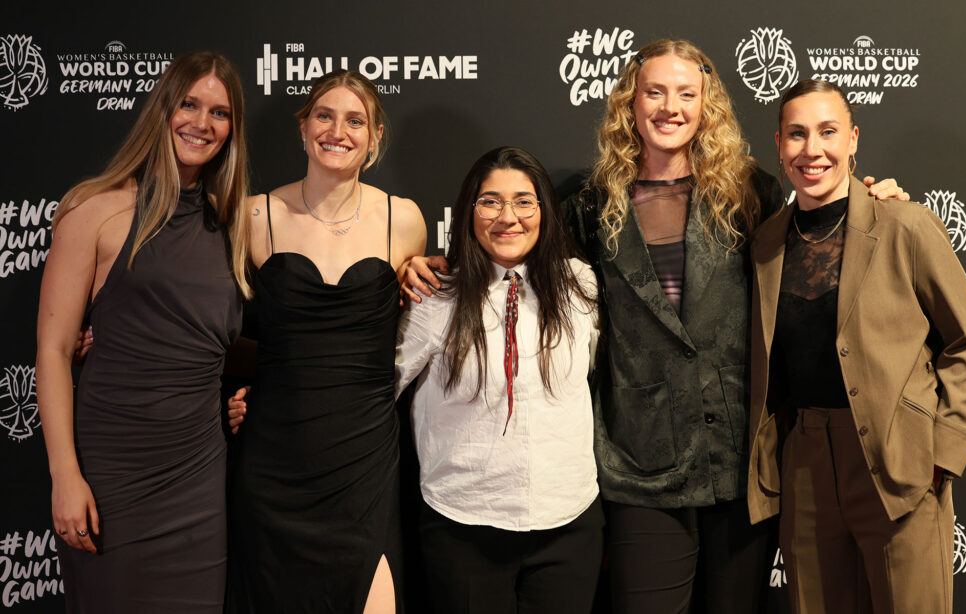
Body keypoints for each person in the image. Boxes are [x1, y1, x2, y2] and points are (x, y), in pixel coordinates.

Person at [404, 39, 907, 613]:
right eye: (655, 92)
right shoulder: (588, 206)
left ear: (705, 104)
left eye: (686, 93)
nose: (670, 107)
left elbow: (822, 235)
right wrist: (437, 263)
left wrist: (869, 198)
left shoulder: (751, 193)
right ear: (631, 103)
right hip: (637, 464)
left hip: (739, 459)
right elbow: (520, 259)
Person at [746, 79, 966, 614]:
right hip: (804, 465)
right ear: (779, 146)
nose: (813, 149)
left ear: (854, 140)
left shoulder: (906, 223)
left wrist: (941, 456)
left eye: (828, 131)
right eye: (797, 134)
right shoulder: (765, 242)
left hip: (899, 461)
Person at [36, 51, 249, 613]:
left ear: (233, 129)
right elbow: (54, 350)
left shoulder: (233, 226)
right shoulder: (95, 210)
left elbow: (218, 338)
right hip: (113, 478)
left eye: (219, 113)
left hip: (199, 482)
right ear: (162, 108)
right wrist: (64, 476)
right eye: (188, 104)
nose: (201, 124)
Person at [225, 69, 426, 614]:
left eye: (355, 120)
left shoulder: (403, 220)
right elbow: (212, 326)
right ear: (303, 128)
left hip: (364, 461)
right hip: (274, 462)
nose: (338, 130)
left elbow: (419, 325)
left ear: (375, 136)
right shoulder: (253, 216)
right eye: (324, 115)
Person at [395, 146, 602, 613]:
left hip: (567, 519)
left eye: (524, 201)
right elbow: (372, 388)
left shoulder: (581, 286)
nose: (508, 216)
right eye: (490, 201)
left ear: (544, 210)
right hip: (463, 524)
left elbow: (598, 370)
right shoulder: (435, 297)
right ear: (469, 210)